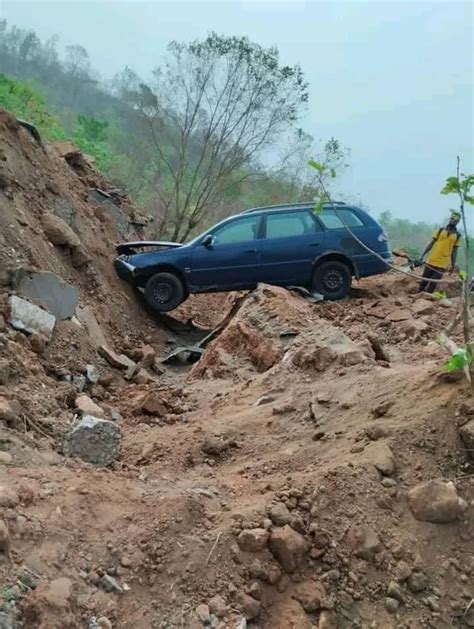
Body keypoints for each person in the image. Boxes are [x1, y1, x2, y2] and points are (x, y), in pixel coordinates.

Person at [418, 211, 461, 293]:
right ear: (450, 218)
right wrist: (422, 255)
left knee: (433, 284)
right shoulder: (440, 230)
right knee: (423, 281)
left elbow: (454, 252)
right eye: (452, 219)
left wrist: (452, 265)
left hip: (442, 264)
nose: (452, 221)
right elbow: (431, 243)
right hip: (432, 259)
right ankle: (416, 299)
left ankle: (425, 301)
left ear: (458, 222)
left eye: (455, 220)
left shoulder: (458, 235)